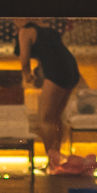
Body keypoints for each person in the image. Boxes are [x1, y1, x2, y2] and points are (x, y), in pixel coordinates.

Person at [18, 17, 83, 169]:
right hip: (72, 70)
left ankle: (52, 161)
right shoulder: (48, 30)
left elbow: (24, 58)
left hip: (56, 72)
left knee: (44, 120)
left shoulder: (25, 31)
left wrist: (27, 75)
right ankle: (57, 158)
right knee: (55, 118)